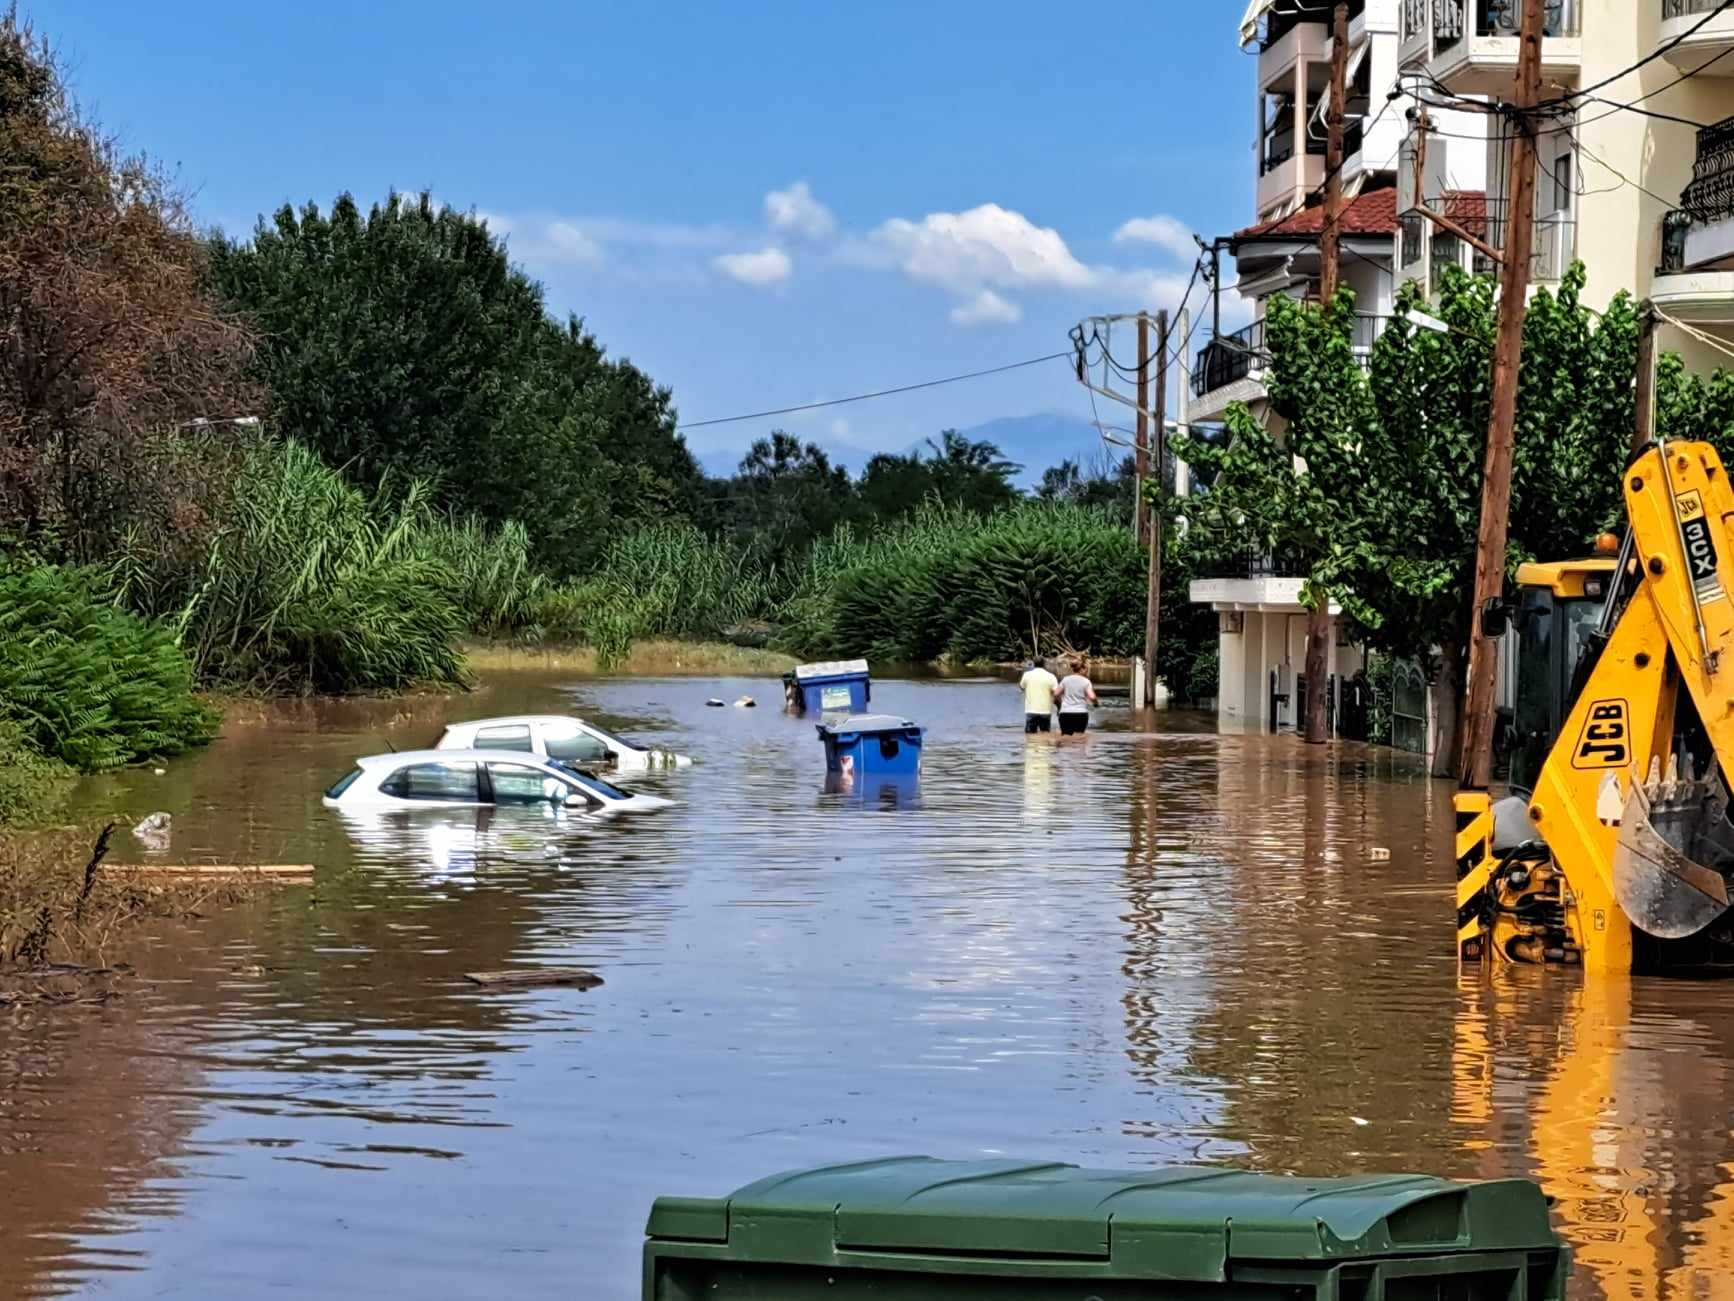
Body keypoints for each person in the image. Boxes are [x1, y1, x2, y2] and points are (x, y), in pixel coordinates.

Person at [1057, 657, 1097, 736]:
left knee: (1065, 737)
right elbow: (1092, 697)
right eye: (1086, 669)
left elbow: (1056, 694)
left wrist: (1060, 705)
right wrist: (1096, 703)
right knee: (1079, 737)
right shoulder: (1086, 681)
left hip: (1065, 713)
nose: (1086, 671)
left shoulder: (1065, 680)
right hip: (1081, 713)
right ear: (1082, 669)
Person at [1018, 658, 1059, 733]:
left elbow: (1021, 687)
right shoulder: (1051, 676)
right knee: (1045, 735)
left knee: (1030, 735)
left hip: (1031, 710)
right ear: (1044, 664)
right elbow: (1056, 693)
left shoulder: (1027, 675)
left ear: (1033, 663)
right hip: (1046, 711)